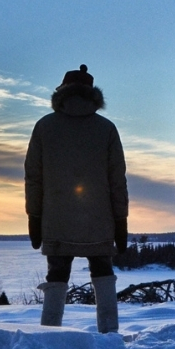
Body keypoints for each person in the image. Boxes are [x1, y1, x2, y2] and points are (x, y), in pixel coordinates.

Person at [25, 64, 129, 334]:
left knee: (56, 276)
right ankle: (110, 336)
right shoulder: (106, 128)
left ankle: (49, 336)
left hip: (55, 219)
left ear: (62, 93)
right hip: (100, 219)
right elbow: (117, 180)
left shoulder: (44, 127)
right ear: (91, 95)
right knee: (103, 273)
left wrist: (34, 217)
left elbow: (33, 178)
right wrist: (120, 220)